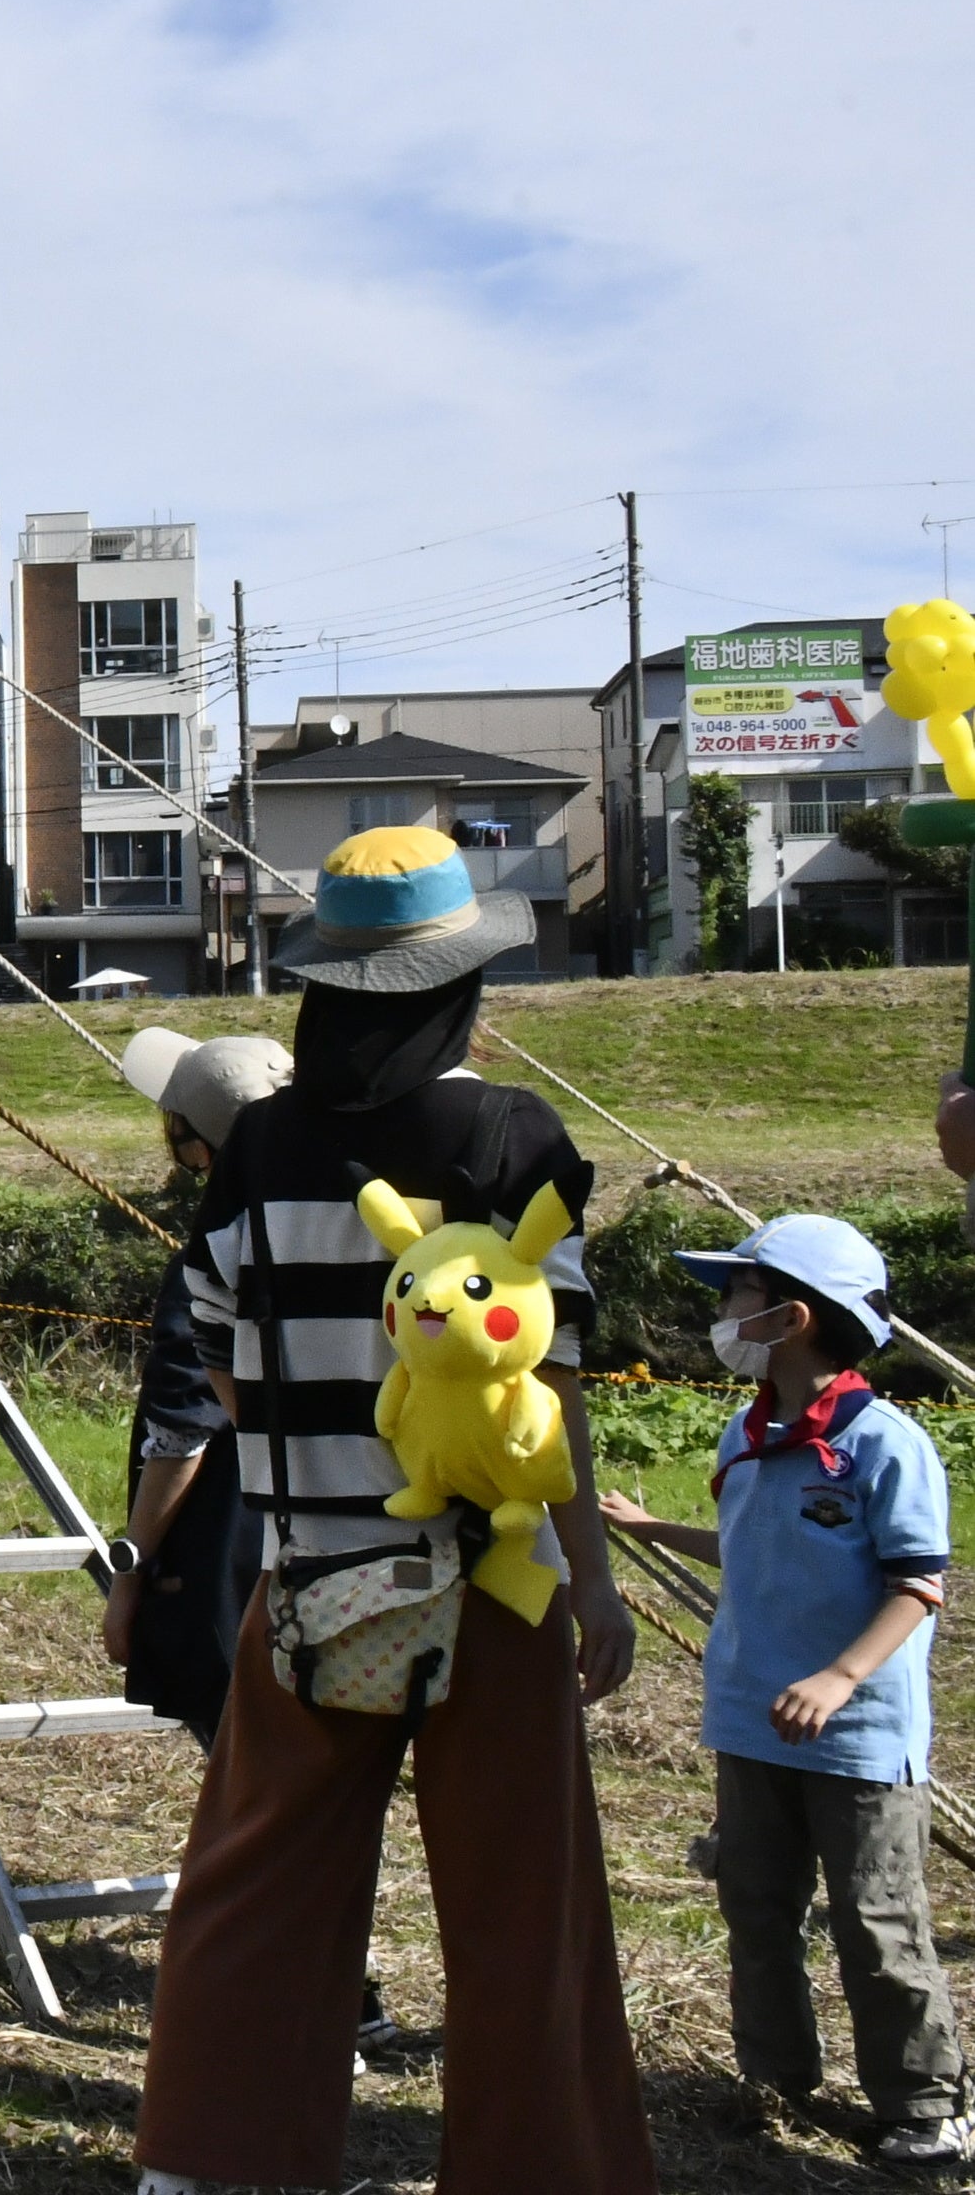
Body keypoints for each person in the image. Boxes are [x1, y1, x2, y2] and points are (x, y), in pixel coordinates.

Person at [134, 827, 651, 2195]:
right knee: (518, 1910)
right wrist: (595, 1582)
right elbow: (559, 1385)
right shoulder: (512, 1138)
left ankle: (208, 2166)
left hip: (310, 1584)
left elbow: (213, 1350)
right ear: (455, 984)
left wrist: (300, 1483)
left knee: (258, 1890)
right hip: (492, 1586)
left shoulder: (259, 1147)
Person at [601, 1216, 966, 2164]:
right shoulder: (748, 1429)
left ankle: (925, 2108)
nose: (723, 1312)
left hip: (856, 1741)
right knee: (755, 1908)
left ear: (793, 1318)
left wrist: (842, 1677)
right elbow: (753, 1548)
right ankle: (775, 2079)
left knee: (875, 1921)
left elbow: (917, 1585)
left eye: (738, 1295)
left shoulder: (885, 1444)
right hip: (750, 1723)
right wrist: (654, 1528)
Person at [102, 1027, 416, 2067]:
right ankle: (333, 1988)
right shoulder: (355, 1228)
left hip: (240, 1549)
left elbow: (182, 1426)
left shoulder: (219, 1247)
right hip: (359, 1537)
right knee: (313, 1782)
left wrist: (135, 1563)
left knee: (264, 1787)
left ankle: (323, 1995)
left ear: (201, 1143)